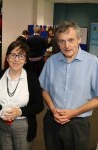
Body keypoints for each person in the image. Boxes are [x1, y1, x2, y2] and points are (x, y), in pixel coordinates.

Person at [39, 21, 98, 150]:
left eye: (71, 40)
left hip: (78, 124)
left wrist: (74, 113)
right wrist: (53, 110)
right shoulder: (51, 61)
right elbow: (44, 91)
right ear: (57, 42)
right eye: (62, 41)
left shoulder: (93, 62)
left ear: (79, 39)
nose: (66, 45)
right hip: (52, 121)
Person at [0, 40, 44, 150]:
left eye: (21, 56)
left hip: (23, 125)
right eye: (13, 55)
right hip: (1, 124)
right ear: (7, 57)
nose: (16, 59)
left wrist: (20, 111)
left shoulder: (32, 78)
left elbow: (39, 105)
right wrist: (0, 110)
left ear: (26, 60)